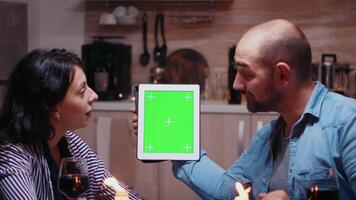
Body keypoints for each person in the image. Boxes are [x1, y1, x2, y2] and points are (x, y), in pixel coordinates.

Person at [132, 19, 356, 199]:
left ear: (282, 75)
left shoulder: (348, 124)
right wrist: (172, 142)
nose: (236, 84)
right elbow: (228, 191)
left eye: (246, 73)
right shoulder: (269, 135)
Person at [0, 49, 142, 200]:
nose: (94, 95)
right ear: (53, 107)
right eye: (82, 91)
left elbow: (113, 189)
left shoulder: (71, 142)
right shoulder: (12, 158)